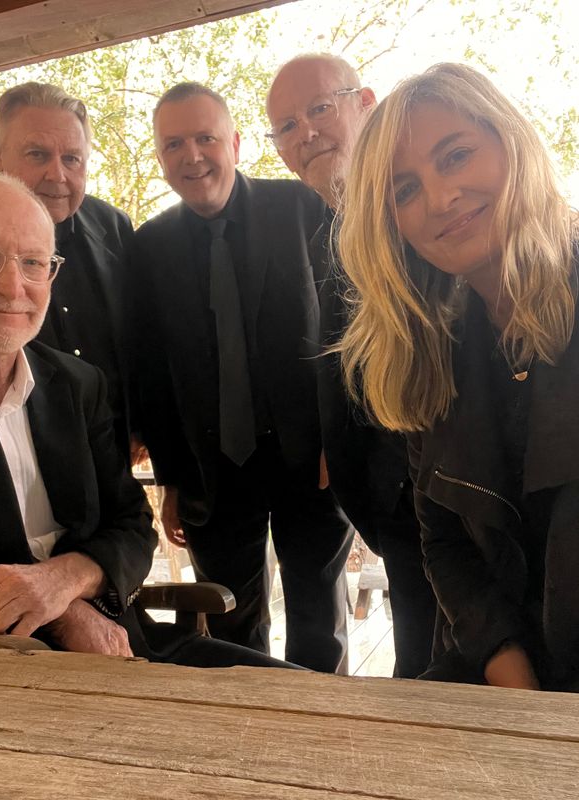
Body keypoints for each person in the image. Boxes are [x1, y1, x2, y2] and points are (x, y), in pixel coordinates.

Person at [0, 171, 296, 670]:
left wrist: (66, 581)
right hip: (4, 670)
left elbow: (132, 526)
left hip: (124, 640)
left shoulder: (76, 384)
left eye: (34, 262)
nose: (12, 285)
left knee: (312, 699)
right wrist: (61, 616)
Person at [337, 62, 579, 691]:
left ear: (511, 142)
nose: (440, 198)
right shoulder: (431, 353)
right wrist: (515, 686)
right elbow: (444, 542)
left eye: (457, 156)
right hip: (497, 681)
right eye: (405, 190)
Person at [131, 82, 354, 673]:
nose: (192, 156)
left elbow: (347, 328)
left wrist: (340, 440)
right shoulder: (149, 247)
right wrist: (172, 480)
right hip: (214, 470)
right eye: (174, 144)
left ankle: (324, 719)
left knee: (319, 620)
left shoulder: (303, 207)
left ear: (233, 143)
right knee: (231, 626)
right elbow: (154, 372)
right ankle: (250, 722)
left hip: (312, 462)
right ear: (161, 156)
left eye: (205, 138)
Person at [266, 54, 436, 678]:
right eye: (286, 126)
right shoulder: (331, 231)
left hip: (445, 507)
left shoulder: (415, 209)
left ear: (366, 103)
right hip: (395, 517)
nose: (306, 133)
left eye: (319, 108)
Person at [0, 82, 133, 460]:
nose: (58, 174)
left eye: (72, 158)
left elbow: (139, 334)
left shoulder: (115, 227)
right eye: (37, 154)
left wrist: (142, 425)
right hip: (13, 450)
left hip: (112, 446)